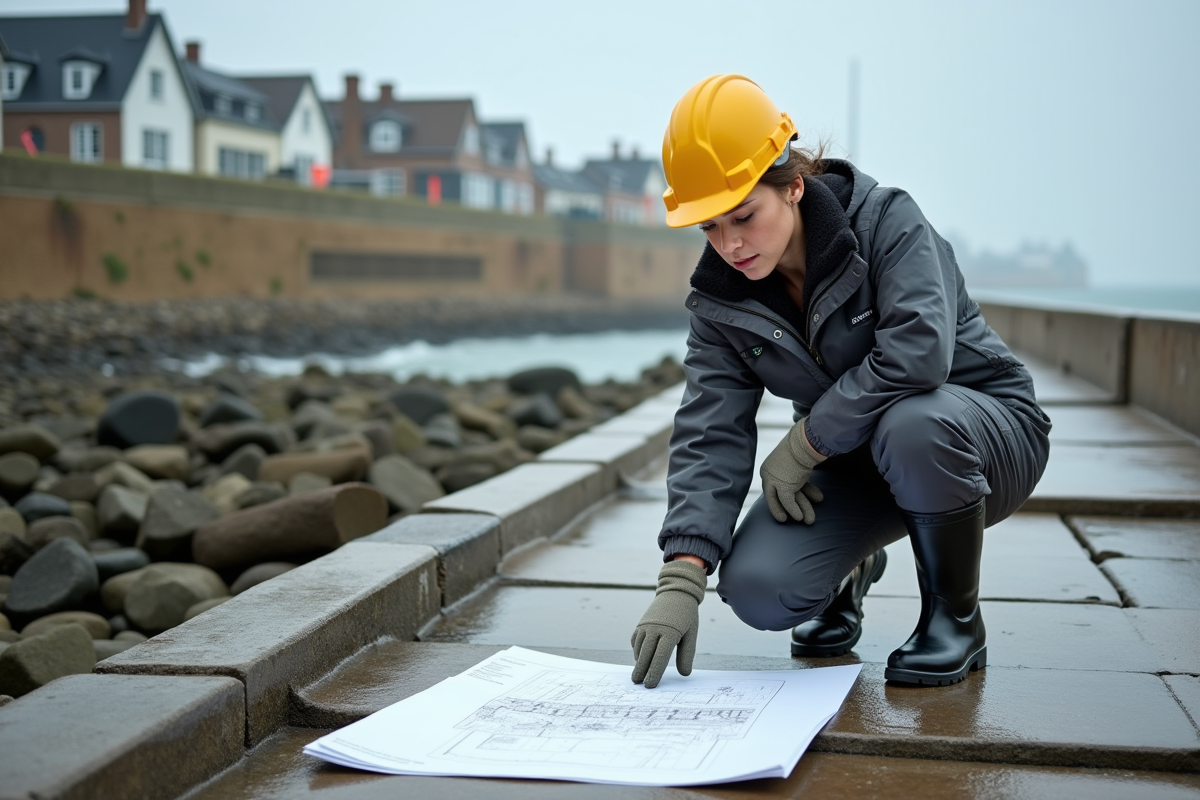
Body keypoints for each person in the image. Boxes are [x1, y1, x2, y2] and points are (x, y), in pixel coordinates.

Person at [630, 75, 1052, 689]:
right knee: (757, 589)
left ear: (794, 185)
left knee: (914, 423)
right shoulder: (720, 304)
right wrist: (683, 575)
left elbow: (917, 357)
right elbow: (709, 431)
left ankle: (955, 622)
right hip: (858, 460)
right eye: (711, 228)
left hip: (983, 437)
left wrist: (805, 444)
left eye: (744, 216)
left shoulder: (888, 223)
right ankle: (852, 569)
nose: (731, 244)